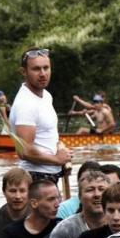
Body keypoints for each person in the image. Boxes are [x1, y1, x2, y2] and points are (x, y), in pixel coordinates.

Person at [10, 48, 72, 182]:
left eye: (46, 68)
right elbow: (24, 151)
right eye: (36, 69)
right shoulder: (25, 104)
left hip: (52, 173)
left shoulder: (46, 96)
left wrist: (61, 151)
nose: (43, 74)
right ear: (23, 72)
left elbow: (47, 135)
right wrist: (56, 159)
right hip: (35, 176)